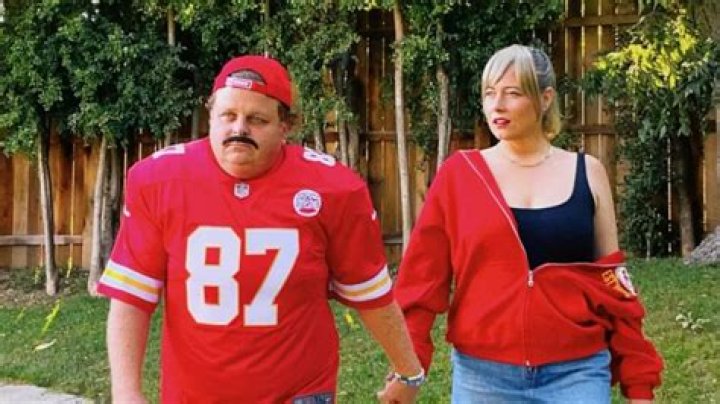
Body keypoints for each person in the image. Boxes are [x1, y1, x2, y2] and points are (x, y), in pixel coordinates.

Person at [97, 55, 423, 403]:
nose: (239, 129)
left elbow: (369, 294)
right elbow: (132, 295)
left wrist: (408, 370)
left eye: (257, 119)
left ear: (286, 126)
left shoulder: (333, 189)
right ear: (210, 115)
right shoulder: (158, 180)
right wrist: (126, 392)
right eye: (228, 115)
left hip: (298, 391)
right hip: (193, 395)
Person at [393, 44, 663, 403]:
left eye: (513, 93)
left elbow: (615, 287)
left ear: (545, 98)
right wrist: (409, 368)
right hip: (483, 376)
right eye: (490, 93)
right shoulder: (460, 175)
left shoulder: (588, 173)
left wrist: (639, 385)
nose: (497, 105)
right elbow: (421, 283)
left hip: (577, 373)